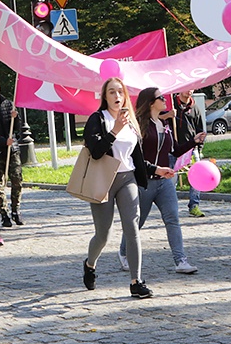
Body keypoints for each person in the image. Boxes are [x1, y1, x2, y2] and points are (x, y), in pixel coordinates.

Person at [82, 77, 173, 298]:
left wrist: (156, 169)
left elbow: (134, 157)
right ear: (105, 96)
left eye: (120, 92)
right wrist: (114, 131)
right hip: (103, 180)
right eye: (112, 92)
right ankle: (90, 264)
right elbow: (95, 151)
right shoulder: (97, 119)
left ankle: (136, 282)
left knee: (132, 228)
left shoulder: (129, 121)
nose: (117, 96)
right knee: (103, 235)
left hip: (127, 179)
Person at [119, 87, 204, 274]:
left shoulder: (164, 125)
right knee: (136, 222)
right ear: (151, 102)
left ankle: (180, 260)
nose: (165, 100)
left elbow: (173, 151)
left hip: (165, 182)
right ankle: (124, 253)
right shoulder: (139, 125)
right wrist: (156, 169)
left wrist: (194, 142)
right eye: (161, 98)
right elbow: (137, 157)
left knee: (173, 219)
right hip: (145, 182)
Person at [0, 77, 25, 227]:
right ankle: (4, 213)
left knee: (17, 180)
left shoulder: (9, 104)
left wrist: (17, 118)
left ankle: (16, 210)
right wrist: (1, 141)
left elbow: (16, 127)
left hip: (11, 149)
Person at [173, 90, 206, 217]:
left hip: (192, 148)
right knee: (172, 178)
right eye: (187, 88)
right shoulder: (172, 105)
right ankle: (171, 206)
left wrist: (200, 146)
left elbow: (200, 129)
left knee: (196, 177)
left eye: (192, 88)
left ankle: (194, 205)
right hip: (175, 147)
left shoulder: (195, 108)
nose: (189, 91)